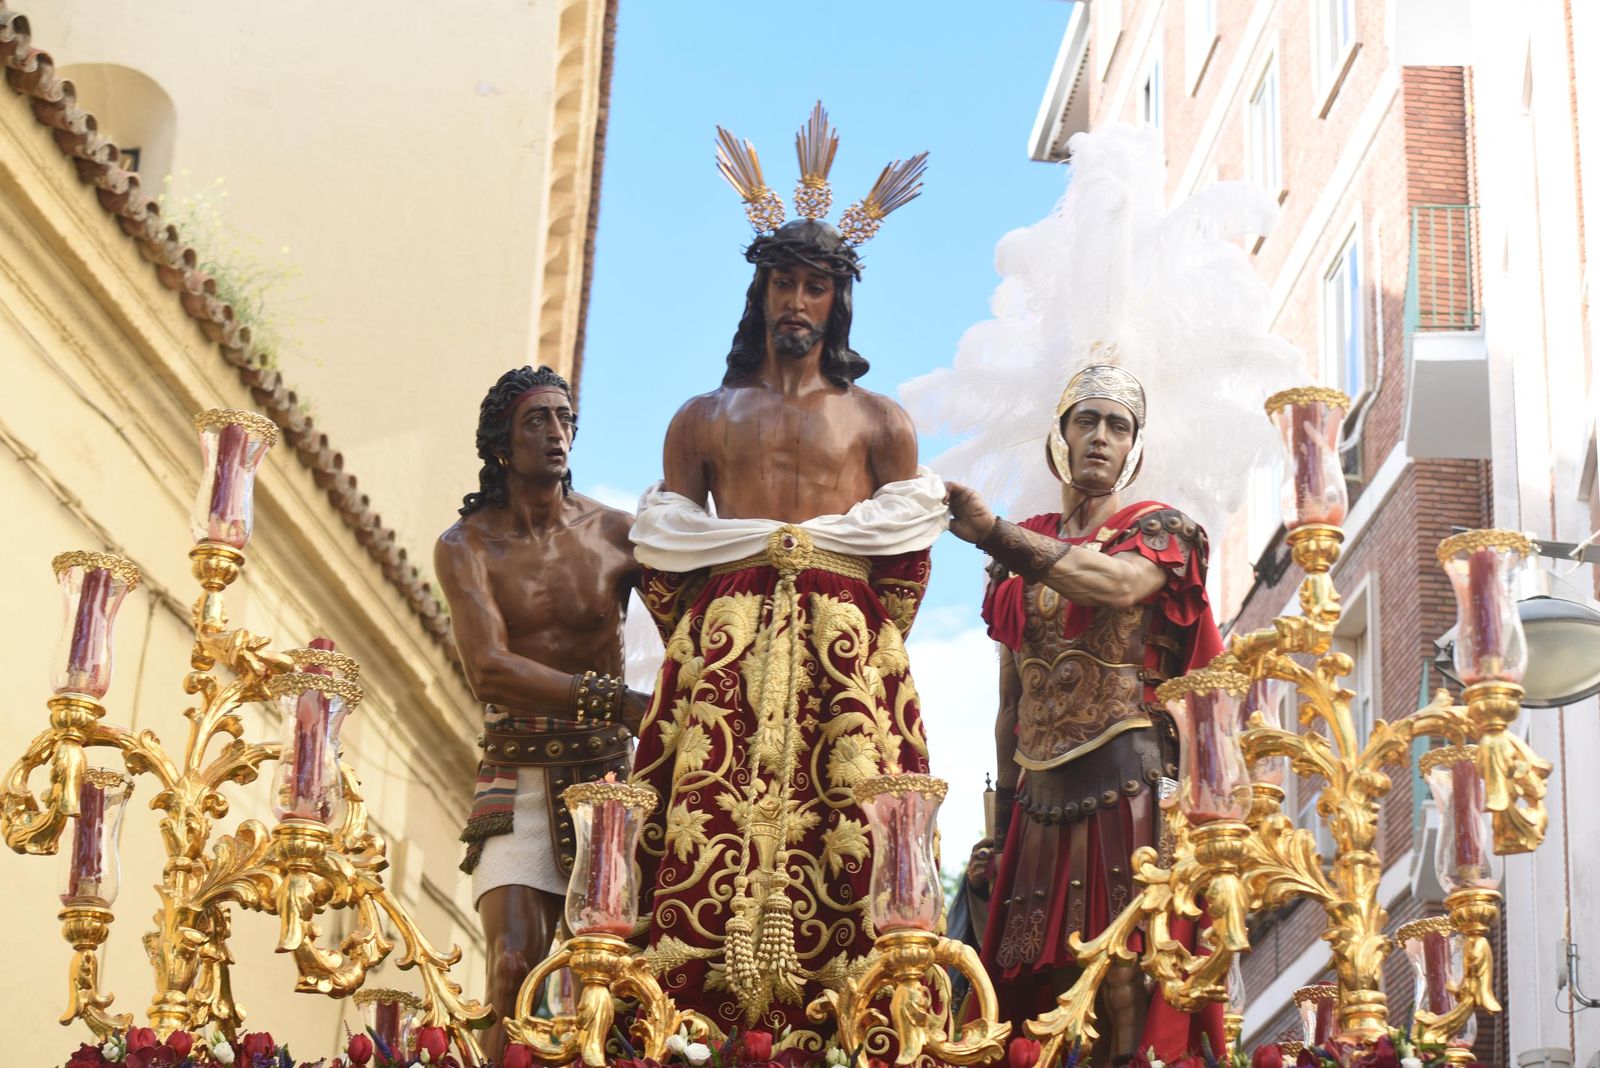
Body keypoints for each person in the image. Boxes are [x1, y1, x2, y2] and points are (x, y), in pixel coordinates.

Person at [627, 108, 946, 1038]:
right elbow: (668, 556)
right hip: (724, 653)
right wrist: (717, 641)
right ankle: (680, 1023)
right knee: (698, 821)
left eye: (815, 287)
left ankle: (861, 1021)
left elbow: (904, 561)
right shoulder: (703, 418)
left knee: (850, 828)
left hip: (846, 656)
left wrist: (856, 648)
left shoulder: (880, 423)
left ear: (839, 302)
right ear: (760, 296)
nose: (797, 304)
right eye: (783, 285)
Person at [946, 363, 1226, 1067]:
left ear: (1135, 445)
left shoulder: (1162, 530)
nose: (1102, 438)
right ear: (1060, 433)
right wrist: (1000, 827)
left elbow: (1116, 584)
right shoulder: (1017, 553)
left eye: (1119, 425)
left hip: (1129, 774)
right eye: (1087, 421)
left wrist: (992, 532)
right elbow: (1011, 703)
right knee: (1048, 978)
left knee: (1128, 969)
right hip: (1039, 795)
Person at [434, 365, 650, 1062]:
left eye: (564, 420)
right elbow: (488, 668)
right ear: (502, 444)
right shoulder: (466, 546)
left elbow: (694, 628)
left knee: (617, 978)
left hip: (610, 781)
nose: (556, 434)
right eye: (537, 421)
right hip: (518, 774)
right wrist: (614, 701)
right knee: (511, 968)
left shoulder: (618, 533)